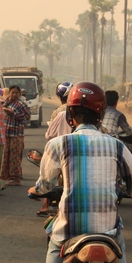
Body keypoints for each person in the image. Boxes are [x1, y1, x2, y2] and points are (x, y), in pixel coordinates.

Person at [30, 82, 132, 263]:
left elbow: (46, 185)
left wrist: (37, 190)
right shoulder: (117, 146)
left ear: (71, 114)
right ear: (101, 114)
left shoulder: (58, 144)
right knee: (119, 252)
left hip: (69, 229)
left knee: (53, 246)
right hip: (106, 230)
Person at [37, 82, 73, 216]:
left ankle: (45, 205)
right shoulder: (78, 109)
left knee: (47, 174)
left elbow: (50, 134)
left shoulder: (58, 112)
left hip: (59, 150)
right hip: (77, 151)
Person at [1, 85, 30, 186]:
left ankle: (16, 178)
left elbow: (27, 118)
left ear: (19, 94)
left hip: (17, 134)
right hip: (7, 133)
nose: (14, 95)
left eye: (16, 93)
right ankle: (9, 176)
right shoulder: (7, 102)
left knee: (15, 157)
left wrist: (14, 113)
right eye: (12, 92)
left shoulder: (21, 104)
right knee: (6, 155)